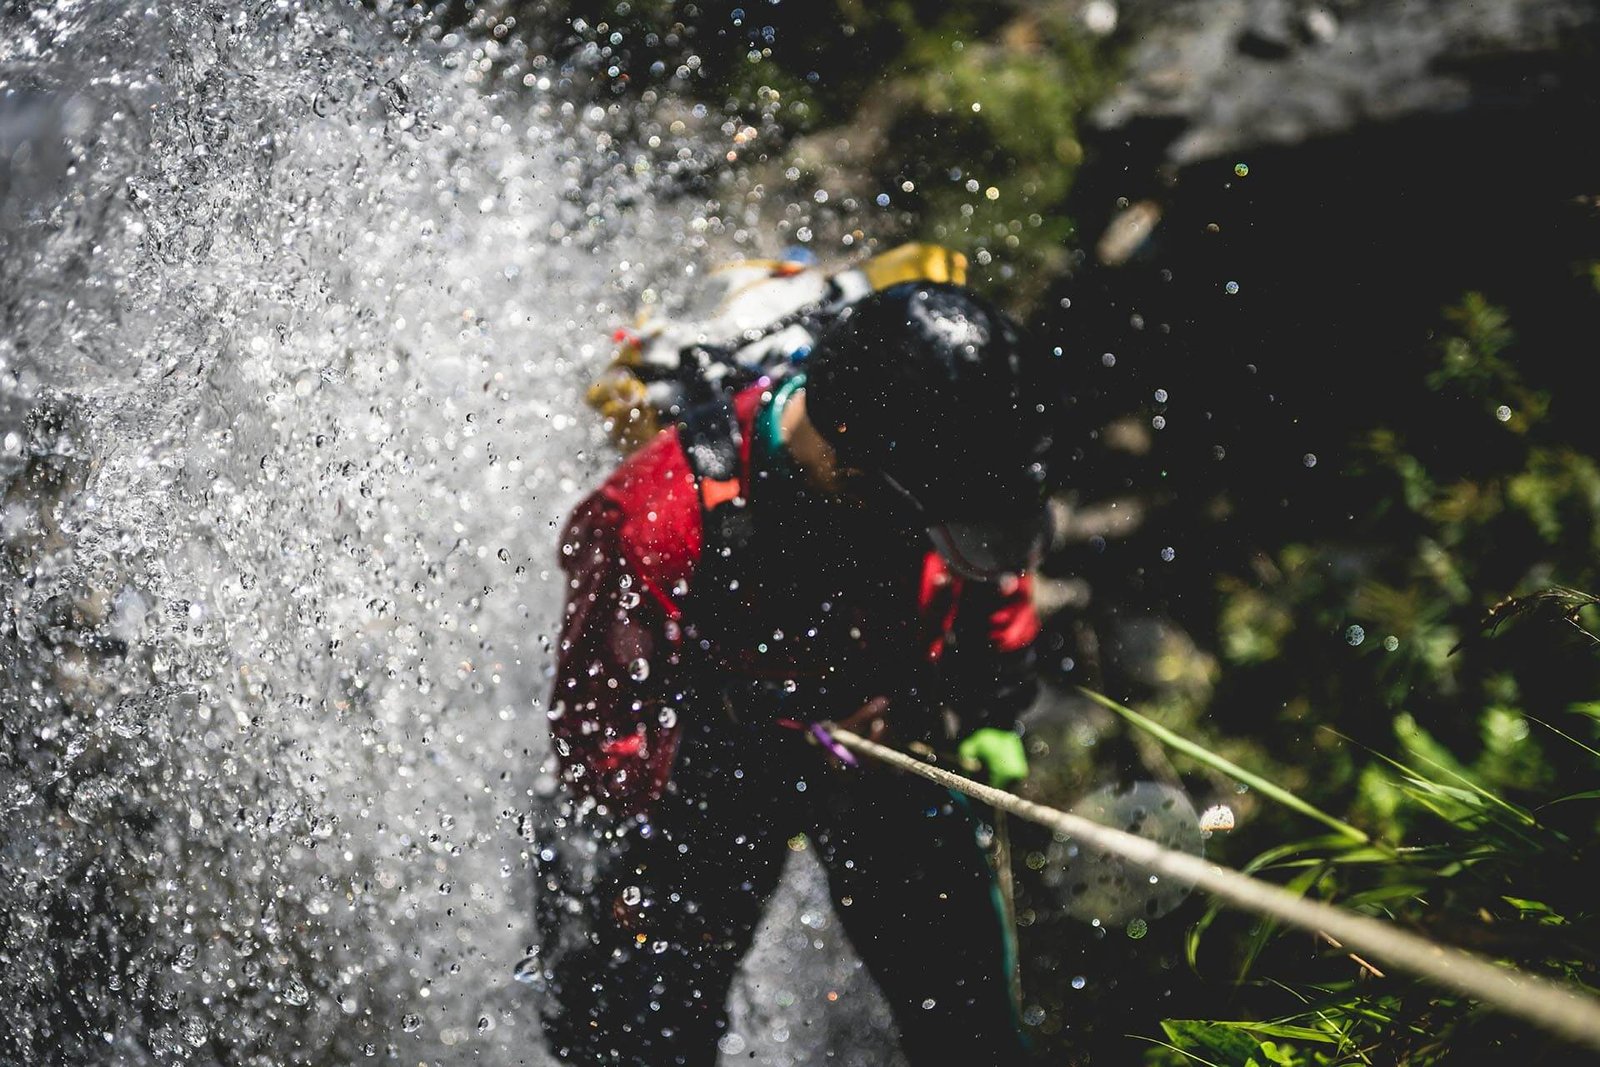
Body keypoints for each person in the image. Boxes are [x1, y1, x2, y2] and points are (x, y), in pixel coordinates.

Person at [538, 282, 1056, 1066]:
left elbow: (992, 575)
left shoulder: (938, 469)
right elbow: (599, 733)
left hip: (888, 744)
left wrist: (990, 706)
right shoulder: (655, 517)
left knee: (970, 1025)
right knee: (647, 1036)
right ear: (848, 455)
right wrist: (760, 736)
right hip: (708, 780)